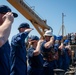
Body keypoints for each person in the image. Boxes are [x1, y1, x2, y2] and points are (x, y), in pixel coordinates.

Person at [0, 5, 18, 75]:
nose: (10, 17)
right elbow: (0, 40)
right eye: (7, 14)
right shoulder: (3, 36)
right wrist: (8, 21)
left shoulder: (5, 37)